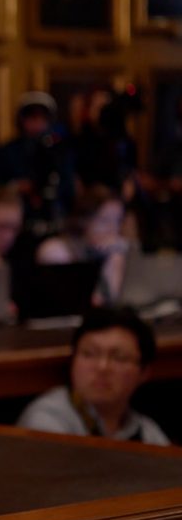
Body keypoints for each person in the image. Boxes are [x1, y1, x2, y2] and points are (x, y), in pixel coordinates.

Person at [17, 307, 170, 445]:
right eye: (89, 354)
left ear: (144, 372)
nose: (102, 367)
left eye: (119, 357)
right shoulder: (46, 421)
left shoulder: (147, 432)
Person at [0, 91, 74, 237]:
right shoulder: (8, 151)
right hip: (17, 226)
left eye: (43, 118)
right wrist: (16, 187)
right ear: (21, 120)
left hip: (53, 222)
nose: (37, 124)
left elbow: (67, 185)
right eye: (32, 117)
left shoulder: (60, 151)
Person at [36, 185, 129, 305]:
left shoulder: (111, 254)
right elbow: (74, 302)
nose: (112, 230)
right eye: (104, 220)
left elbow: (117, 303)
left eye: (117, 221)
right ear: (83, 220)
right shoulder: (55, 250)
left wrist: (112, 262)